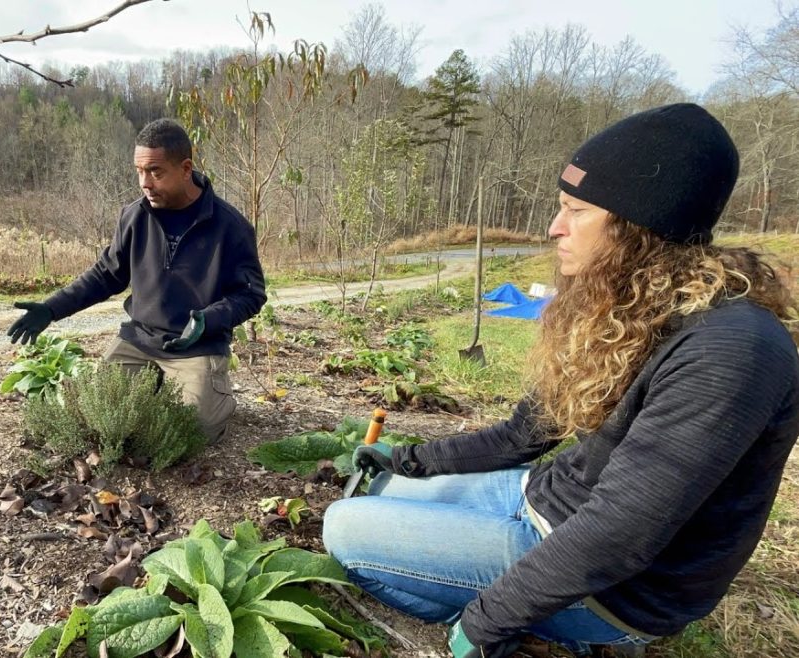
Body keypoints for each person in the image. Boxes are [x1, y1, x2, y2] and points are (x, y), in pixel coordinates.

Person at [322, 103, 799, 657]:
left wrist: (487, 621)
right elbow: (522, 436)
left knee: (346, 529)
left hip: (615, 590)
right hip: (544, 501)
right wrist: (406, 459)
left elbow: (620, 535)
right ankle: (507, 601)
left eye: (576, 210)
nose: (554, 228)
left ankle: (563, 632)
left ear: (635, 225)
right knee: (379, 490)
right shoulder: (630, 307)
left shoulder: (731, 350)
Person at [7, 118, 266, 443]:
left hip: (196, 347)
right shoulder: (135, 216)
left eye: (156, 172)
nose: (145, 182)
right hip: (139, 342)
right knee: (98, 417)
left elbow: (250, 294)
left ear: (185, 169)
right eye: (139, 171)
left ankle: (214, 398)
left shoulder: (230, 226)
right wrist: (51, 309)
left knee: (192, 432)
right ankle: (157, 385)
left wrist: (207, 321)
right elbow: (106, 275)